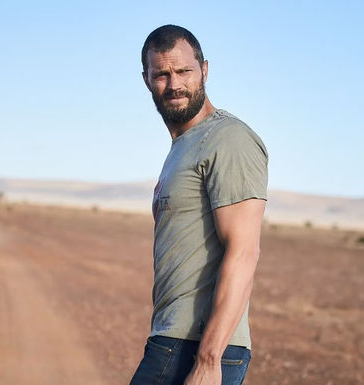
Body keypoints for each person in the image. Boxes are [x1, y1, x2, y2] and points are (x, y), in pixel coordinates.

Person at [130, 25, 268, 385]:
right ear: (146, 80)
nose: (174, 84)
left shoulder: (228, 139)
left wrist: (208, 360)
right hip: (174, 339)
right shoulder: (184, 145)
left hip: (197, 347)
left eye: (184, 71)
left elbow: (244, 253)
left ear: (204, 70)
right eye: (162, 74)